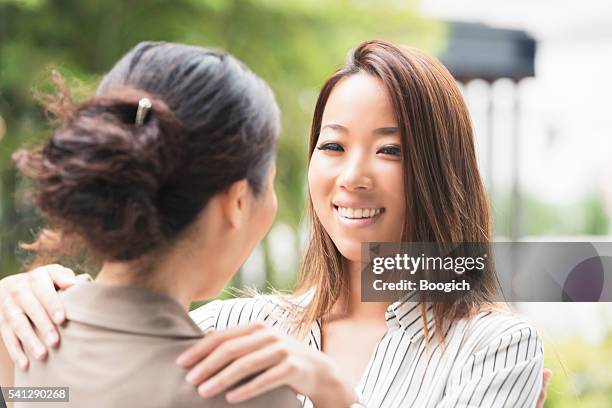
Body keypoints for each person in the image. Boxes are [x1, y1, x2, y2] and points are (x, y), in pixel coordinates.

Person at [1, 40, 552, 407]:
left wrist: (333, 393)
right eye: (332, 145)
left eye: (391, 151)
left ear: (441, 170)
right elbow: (119, 335)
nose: (352, 176)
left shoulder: (495, 347)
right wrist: (32, 299)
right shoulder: (235, 325)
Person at [0, 41, 354, 407]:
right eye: (271, 180)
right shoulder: (247, 397)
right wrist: (332, 391)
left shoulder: (21, 342)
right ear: (236, 202)